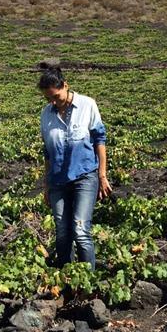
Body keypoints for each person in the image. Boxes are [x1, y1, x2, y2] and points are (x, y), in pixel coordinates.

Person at [38, 63, 112, 271]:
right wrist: (46, 185)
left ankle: (88, 280)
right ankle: (66, 276)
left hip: (84, 176)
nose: (53, 102)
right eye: (48, 98)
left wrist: (102, 176)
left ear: (65, 86)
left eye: (56, 96)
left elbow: (100, 140)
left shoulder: (87, 105)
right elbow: (48, 153)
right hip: (58, 181)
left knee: (80, 229)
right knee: (62, 231)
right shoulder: (46, 114)